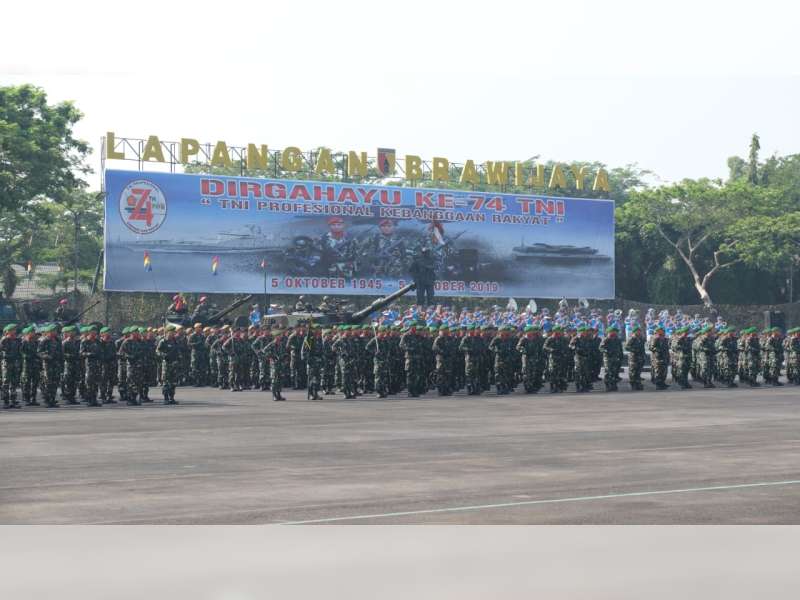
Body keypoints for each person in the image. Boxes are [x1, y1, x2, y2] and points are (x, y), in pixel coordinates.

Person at [156, 326, 181, 404]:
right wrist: (164, 355)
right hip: (167, 364)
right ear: (167, 332)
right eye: (172, 332)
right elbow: (157, 351)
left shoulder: (175, 341)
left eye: (174, 332)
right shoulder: (163, 341)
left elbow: (178, 351)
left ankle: (171, 398)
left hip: (174, 363)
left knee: (173, 382)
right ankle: (166, 398)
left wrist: (179, 357)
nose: (173, 333)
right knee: (166, 381)